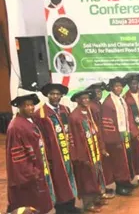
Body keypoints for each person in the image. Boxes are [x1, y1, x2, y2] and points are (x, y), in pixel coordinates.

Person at [34, 83, 81, 214]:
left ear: (61, 95)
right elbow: (40, 138)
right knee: (58, 181)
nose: (55, 96)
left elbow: (70, 130)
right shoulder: (41, 114)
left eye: (57, 94)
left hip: (67, 152)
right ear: (47, 95)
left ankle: (71, 206)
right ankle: (61, 209)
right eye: (52, 94)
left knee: (71, 178)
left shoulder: (65, 110)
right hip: (54, 155)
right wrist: (47, 157)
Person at [6, 94, 54, 214]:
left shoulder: (29, 121)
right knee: (28, 206)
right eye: (27, 105)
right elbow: (17, 156)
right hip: (27, 177)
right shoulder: (16, 127)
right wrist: (32, 173)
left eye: (32, 104)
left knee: (39, 204)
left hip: (36, 170)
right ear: (20, 107)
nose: (31, 108)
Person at [68, 90, 107, 213]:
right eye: (82, 98)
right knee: (86, 179)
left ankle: (96, 198)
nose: (85, 100)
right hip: (84, 154)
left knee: (96, 174)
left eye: (87, 98)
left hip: (94, 150)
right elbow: (74, 138)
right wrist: (81, 157)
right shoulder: (74, 116)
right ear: (77, 100)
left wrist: (101, 147)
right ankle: (88, 203)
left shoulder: (88, 112)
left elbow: (96, 130)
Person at [100, 77, 135, 196]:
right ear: (111, 87)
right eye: (116, 86)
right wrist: (115, 140)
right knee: (118, 162)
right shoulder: (108, 103)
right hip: (115, 138)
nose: (118, 88)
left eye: (120, 86)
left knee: (126, 159)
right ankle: (120, 186)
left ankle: (126, 181)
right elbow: (107, 124)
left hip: (124, 133)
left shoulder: (121, 99)